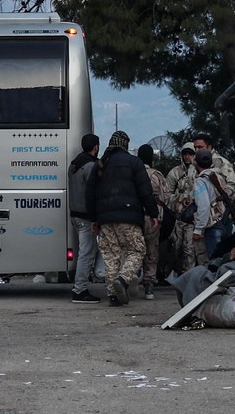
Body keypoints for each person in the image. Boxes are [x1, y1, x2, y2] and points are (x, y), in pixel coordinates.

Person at [86, 130, 157, 307]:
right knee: (137, 250)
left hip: (105, 220)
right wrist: (153, 213)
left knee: (111, 257)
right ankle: (123, 280)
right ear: (125, 145)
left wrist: (94, 219)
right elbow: (145, 191)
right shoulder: (134, 162)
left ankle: (113, 296)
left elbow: (90, 194)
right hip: (129, 217)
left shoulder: (100, 165)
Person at [68, 133, 102, 304]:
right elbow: (92, 193)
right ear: (96, 147)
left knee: (85, 251)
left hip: (74, 214)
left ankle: (80, 286)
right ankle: (79, 289)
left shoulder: (74, 164)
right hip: (86, 217)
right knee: (86, 253)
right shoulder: (89, 167)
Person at [193, 133, 235, 231]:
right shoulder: (194, 164)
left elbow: (233, 186)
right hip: (198, 216)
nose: (196, 150)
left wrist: (217, 198)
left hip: (218, 217)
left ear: (209, 147)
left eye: (200, 147)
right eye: (195, 147)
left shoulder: (222, 163)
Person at [137, 144, 168, 299]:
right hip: (153, 217)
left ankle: (129, 281)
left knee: (133, 250)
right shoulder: (157, 175)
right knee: (151, 251)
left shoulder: (134, 172)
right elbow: (165, 198)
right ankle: (149, 285)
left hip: (134, 216)